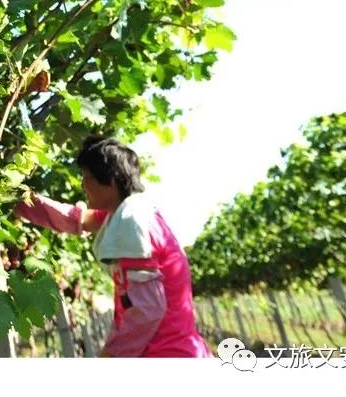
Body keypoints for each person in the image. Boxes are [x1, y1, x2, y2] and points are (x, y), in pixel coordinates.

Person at [15, 135, 211, 358]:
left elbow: (147, 310)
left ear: (110, 182)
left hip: (166, 353)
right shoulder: (126, 213)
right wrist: (19, 200)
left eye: (86, 177)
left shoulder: (131, 221)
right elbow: (74, 219)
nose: (82, 185)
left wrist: (111, 357)